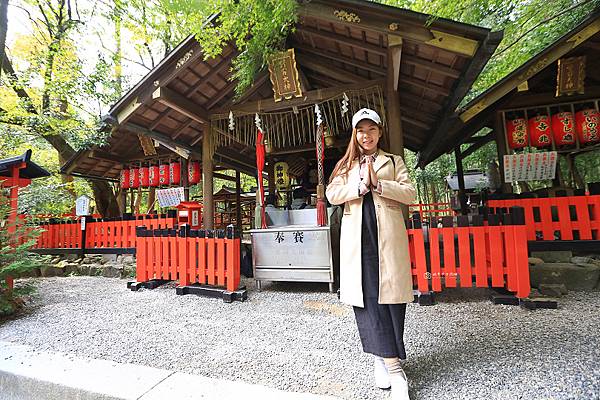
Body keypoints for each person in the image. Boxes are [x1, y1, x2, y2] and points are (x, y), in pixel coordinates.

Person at [326, 108, 416, 400]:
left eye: (372, 129)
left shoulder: (394, 161)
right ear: (355, 134)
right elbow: (332, 194)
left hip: (387, 238)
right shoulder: (345, 164)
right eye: (361, 130)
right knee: (366, 299)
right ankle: (393, 368)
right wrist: (360, 186)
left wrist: (379, 183)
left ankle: (382, 356)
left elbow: (409, 193)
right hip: (358, 242)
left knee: (392, 299)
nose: (366, 135)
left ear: (379, 132)